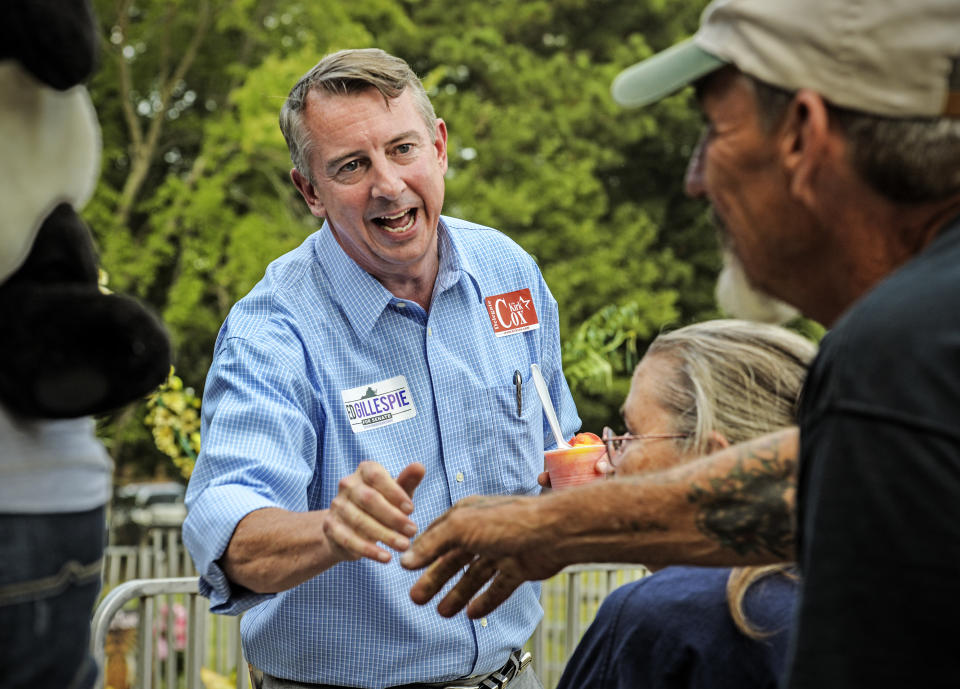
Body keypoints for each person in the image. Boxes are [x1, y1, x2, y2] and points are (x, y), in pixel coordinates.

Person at [402, 0, 960, 686]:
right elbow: (814, 481)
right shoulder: (931, 352)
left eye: (713, 132)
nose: (695, 179)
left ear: (804, 135)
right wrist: (555, 525)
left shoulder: (905, 346)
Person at [182, 48, 579, 689]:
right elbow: (228, 529)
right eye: (351, 166)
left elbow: (559, 455)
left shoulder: (508, 272)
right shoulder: (273, 331)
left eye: (402, 149)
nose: (388, 186)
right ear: (309, 190)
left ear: (440, 147)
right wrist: (329, 531)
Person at [556, 320, 814, 689]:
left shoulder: (658, 617)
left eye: (631, 434)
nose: (606, 460)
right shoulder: (863, 588)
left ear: (714, 464)